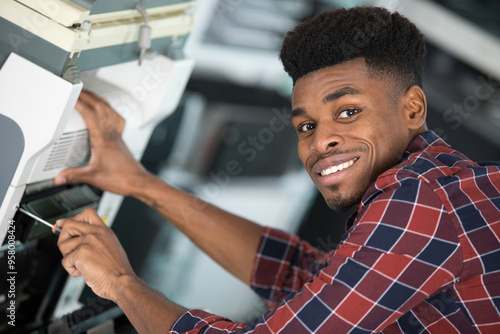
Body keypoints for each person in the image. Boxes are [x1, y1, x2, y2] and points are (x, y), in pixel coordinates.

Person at [54, 6, 500, 333]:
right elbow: (295, 277)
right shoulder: (441, 187)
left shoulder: (419, 203)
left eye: (347, 112)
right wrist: (138, 183)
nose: (319, 142)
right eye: (306, 125)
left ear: (413, 108)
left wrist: (119, 282)